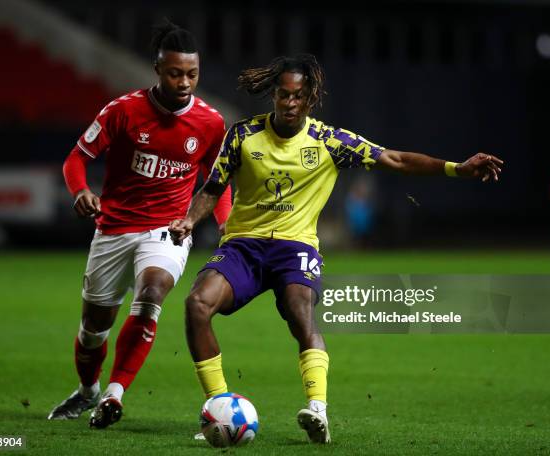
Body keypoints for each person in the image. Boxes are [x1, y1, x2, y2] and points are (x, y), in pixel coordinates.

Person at [169, 54, 503, 444]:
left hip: (295, 247)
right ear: (273, 95)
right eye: (283, 95)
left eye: (298, 97)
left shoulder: (329, 141)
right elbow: (213, 188)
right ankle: (218, 410)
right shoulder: (242, 135)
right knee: (197, 305)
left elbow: (394, 159)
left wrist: (456, 168)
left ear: (309, 99)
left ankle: (318, 411)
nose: (289, 103)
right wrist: (190, 219)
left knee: (299, 311)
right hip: (243, 245)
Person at [47, 21, 231, 429]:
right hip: (113, 229)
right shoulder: (123, 111)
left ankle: (114, 394)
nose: (184, 82)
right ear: (157, 69)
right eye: (175, 72)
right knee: (94, 329)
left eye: (192, 73)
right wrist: (80, 191)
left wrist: (224, 223)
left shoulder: (210, 123)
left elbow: (218, 183)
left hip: (168, 230)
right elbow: (75, 159)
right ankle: (89, 390)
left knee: (151, 293)